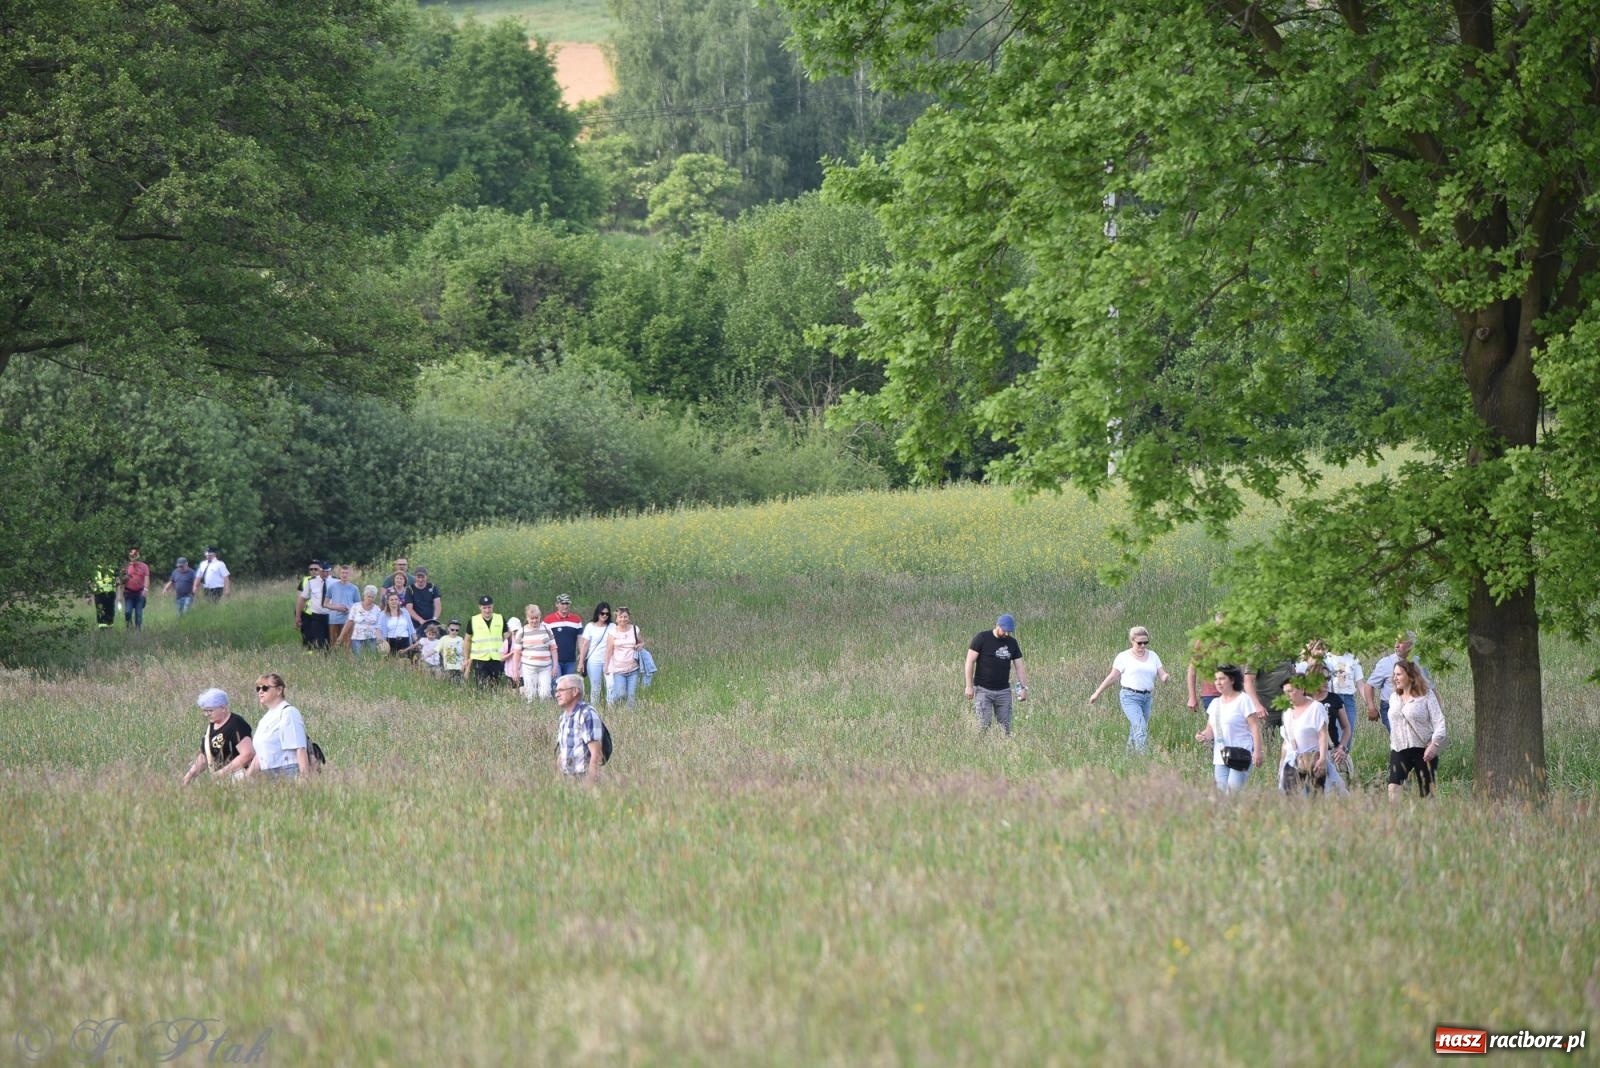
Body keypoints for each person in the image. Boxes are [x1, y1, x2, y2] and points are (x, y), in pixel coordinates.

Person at [1088, 626, 1170, 752]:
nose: (1143, 646)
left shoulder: (1153, 656)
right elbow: (1112, 676)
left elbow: (1161, 672)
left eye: (1145, 643)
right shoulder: (1123, 657)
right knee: (1140, 729)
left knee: (1135, 729)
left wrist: (1165, 677)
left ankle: (1130, 758)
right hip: (1129, 697)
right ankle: (1144, 761)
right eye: (1139, 643)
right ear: (1132, 641)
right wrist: (1097, 693)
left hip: (1146, 697)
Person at [1193, 666, 1263, 793]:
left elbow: (1255, 727)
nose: (1218, 683)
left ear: (1232, 680)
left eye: (1221, 679)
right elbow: (1210, 730)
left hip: (1241, 754)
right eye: (1216, 679)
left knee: (1232, 794)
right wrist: (1203, 736)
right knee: (1221, 795)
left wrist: (1257, 752)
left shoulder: (1244, 700)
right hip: (1221, 755)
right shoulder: (1215, 704)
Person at [1388, 660, 1446, 799]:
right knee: (1393, 786)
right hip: (1399, 748)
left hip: (1424, 749)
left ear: (1411, 676)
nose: (1395, 678)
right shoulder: (1393, 697)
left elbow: (1440, 722)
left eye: (1399, 674)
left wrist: (1434, 745)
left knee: (1427, 793)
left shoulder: (1427, 696)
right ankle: (1393, 819)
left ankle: (1429, 819)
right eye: (1394, 674)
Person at [964, 613, 1029, 735]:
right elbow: (969, 662)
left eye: (1009, 632)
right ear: (998, 625)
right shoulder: (982, 638)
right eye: (1004, 630)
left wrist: (1024, 688)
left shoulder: (1012, 643)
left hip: (1003, 692)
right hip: (983, 690)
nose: (1006, 634)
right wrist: (969, 686)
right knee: (983, 726)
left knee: (1005, 728)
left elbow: (1019, 667)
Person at [1360, 631, 1432, 732]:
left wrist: (1437, 712)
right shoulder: (1385, 663)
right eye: (1396, 642)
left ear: (1411, 645)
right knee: (1400, 738)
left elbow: (1431, 689)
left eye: (1401, 642)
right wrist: (1371, 708)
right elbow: (1369, 686)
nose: (1396, 645)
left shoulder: (1420, 663)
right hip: (1391, 707)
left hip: (1415, 707)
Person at [181, 688, 254, 785]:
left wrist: (222, 773)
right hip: (223, 780)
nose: (206, 714)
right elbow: (206, 756)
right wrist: (188, 777)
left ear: (223, 708)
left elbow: (247, 754)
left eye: (210, 711)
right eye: (205, 711)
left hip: (240, 778)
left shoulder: (236, 724)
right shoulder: (211, 726)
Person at [247, 673, 310, 781]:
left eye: (265, 688)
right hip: (267, 775)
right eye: (258, 688)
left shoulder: (288, 712)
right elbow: (260, 755)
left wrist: (305, 779)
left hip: (288, 772)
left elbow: (300, 748)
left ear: (279, 690)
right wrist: (246, 779)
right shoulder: (265, 719)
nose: (260, 691)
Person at [1279, 677, 1330, 796]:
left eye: (1291, 691)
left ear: (1302, 690)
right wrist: (1281, 765)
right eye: (1285, 692)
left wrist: (1322, 758)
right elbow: (1286, 742)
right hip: (1293, 761)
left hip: (1313, 759)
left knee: (1315, 797)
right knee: (1289, 798)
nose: (1287, 695)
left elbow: (1323, 735)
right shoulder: (1287, 711)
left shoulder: (1316, 707)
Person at [554, 673, 605, 783]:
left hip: (583, 777)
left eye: (561, 690)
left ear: (575, 692)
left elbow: (596, 754)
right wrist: (557, 782)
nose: (557, 695)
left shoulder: (587, 715)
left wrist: (589, 784)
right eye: (556, 691)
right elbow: (562, 752)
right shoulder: (563, 717)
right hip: (567, 779)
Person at [604, 606, 647, 709]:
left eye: (625, 617)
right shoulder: (613, 632)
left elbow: (642, 642)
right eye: (620, 617)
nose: (623, 619)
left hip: (633, 668)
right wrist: (606, 666)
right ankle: (613, 703)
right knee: (621, 694)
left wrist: (640, 646)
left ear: (629, 618)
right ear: (616, 619)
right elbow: (609, 650)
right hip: (619, 669)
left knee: (631, 696)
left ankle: (630, 717)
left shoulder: (634, 629)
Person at [463, 595, 508, 685]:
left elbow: (507, 639)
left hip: (496, 658)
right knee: (482, 686)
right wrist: (466, 658)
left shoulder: (500, 618)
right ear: (480, 607)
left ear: (493, 606)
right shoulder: (473, 620)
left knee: (496, 686)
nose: (487, 610)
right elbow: (467, 640)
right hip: (479, 659)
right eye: (484, 608)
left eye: (489, 607)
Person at [520, 604, 559, 701]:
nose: (534, 620)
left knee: (545, 694)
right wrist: (515, 670)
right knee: (530, 694)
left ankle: (545, 713)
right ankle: (529, 714)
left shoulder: (547, 629)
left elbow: (553, 648)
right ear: (527, 618)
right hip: (528, 667)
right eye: (532, 618)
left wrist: (555, 666)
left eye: (536, 618)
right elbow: (517, 652)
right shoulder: (522, 631)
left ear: (540, 616)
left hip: (545, 667)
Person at [577, 602, 613, 699]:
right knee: (595, 686)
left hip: (609, 660)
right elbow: (585, 645)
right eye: (602, 613)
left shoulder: (612, 626)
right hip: (594, 660)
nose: (604, 615)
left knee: (611, 685)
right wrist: (581, 662)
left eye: (607, 614)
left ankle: (611, 708)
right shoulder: (590, 626)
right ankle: (595, 707)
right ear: (598, 613)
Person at [294, 559, 331, 651]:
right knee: (308, 636)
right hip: (307, 613)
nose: (313, 571)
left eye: (316, 569)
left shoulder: (330, 580)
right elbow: (300, 598)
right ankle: (310, 655)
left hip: (323, 613)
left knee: (325, 637)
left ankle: (326, 654)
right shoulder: (306, 580)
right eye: (311, 569)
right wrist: (298, 615)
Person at [544, 595, 584, 678]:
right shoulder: (548, 620)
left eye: (567, 603)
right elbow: (544, 639)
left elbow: (580, 639)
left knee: (569, 685)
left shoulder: (576, 620)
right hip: (554, 660)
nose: (565, 606)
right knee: (557, 684)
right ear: (557, 604)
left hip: (570, 660)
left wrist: (581, 653)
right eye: (562, 603)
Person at [323, 563, 359, 649]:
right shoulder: (332, 587)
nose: (344, 575)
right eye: (342, 573)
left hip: (348, 620)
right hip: (334, 620)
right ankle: (334, 661)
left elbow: (358, 606)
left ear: (350, 574)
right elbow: (325, 604)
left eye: (346, 573)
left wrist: (349, 609)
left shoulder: (354, 588)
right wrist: (336, 607)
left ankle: (347, 662)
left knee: (347, 646)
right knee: (334, 645)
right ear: (339, 574)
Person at [342, 585, 382, 656]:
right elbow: (350, 621)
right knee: (358, 659)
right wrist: (341, 635)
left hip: (372, 637)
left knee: (372, 658)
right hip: (357, 637)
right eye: (369, 596)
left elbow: (378, 626)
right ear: (364, 596)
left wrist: (380, 638)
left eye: (372, 597)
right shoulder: (355, 606)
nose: (370, 599)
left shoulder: (377, 609)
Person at [119, 545, 151, 629]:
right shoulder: (126, 566)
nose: (133, 557)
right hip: (129, 593)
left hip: (139, 593)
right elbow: (120, 581)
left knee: (138, 614)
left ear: (137, 555)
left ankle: (138, 630)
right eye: (131, 556)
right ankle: (129, 626)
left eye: (134, 555)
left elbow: (147, 579)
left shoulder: (144, 566)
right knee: (128, 612)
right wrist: (124, 578)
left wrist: (146, 589)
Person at [378, 589, 415, 655]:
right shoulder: (383, 614)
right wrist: (382, 641)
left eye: (396, 599)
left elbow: (411, 628)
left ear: (399, 601)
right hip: (390, 641)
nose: (394, 601)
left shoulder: (405, 612)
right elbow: (378, 630)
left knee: (405, 662)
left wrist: (416, 641)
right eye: (391, 600)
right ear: (387, 601)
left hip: (405, 640)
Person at [405, 567, 441, 632]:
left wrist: (434, 619)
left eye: (423, 577)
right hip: (416, 624)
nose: (420, 580)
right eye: (418, 577)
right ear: (415, 577)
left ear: (426, 577)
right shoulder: (410, 589)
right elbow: (409, 609)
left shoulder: (432, 587)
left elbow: (438, 606)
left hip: (431, 624)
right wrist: (420, 620)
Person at [91, 563, 118, 628]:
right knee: (101, 614)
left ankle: (109, 630)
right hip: (99, 594)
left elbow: (118, 581)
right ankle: (102, 630)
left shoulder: (113, 567)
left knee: (110, 614)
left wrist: (118, 594)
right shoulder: (94, 568)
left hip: (110, 594)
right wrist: (88, 596)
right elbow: (90, 581)